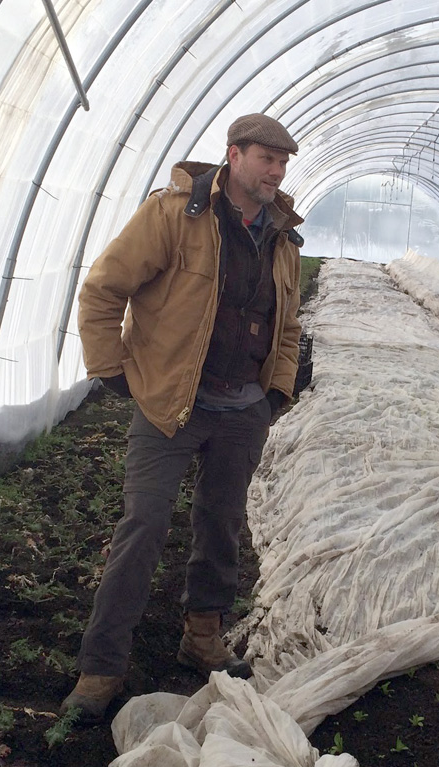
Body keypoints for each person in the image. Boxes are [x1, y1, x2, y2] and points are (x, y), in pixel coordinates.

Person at [61, 114, 304, 720]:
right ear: (234, 157)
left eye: (283, 162)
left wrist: (274, 392)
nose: (276, 171)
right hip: (172, 404)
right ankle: (103, 664)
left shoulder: (281, 236)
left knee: (222, 524)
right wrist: (111, 368)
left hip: (242, 408)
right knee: (143, 524)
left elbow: (290, 325)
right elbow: (102, 289)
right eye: (266, 159)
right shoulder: (175, 216)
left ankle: (203, 637)